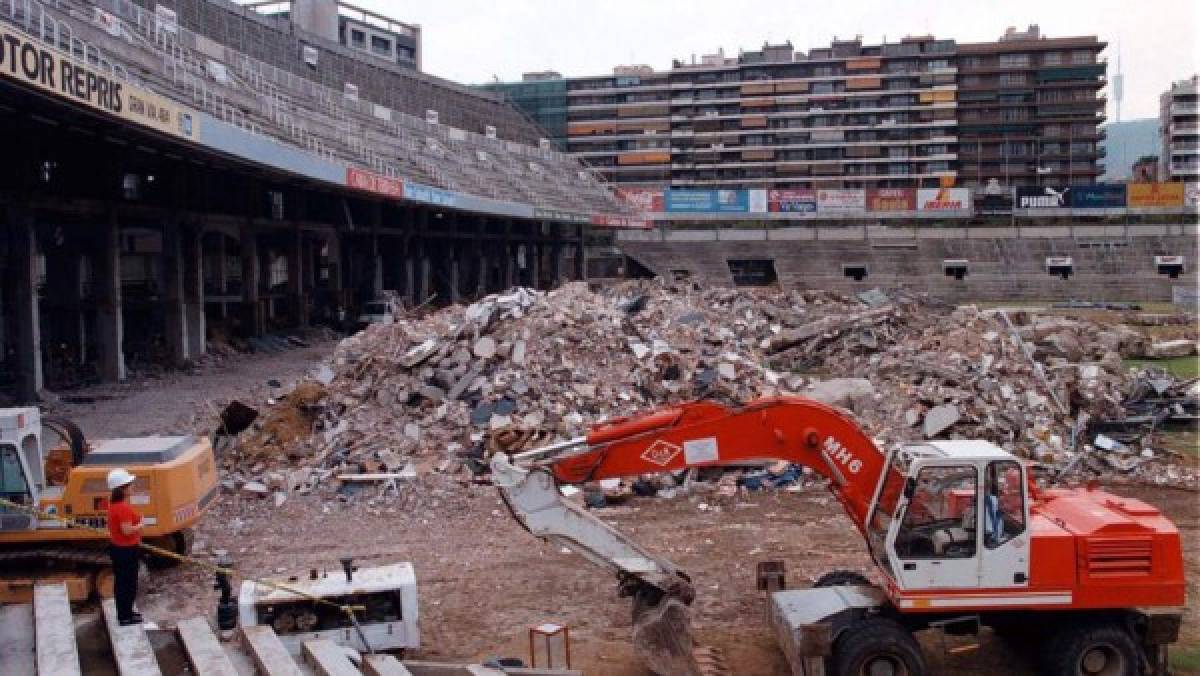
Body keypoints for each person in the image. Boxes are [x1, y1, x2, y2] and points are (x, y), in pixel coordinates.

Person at [106, 468, 143, 625]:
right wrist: (140, 525)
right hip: (126, 550)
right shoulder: (122, 508)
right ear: (123, 488)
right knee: (126, 583)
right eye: (130, 484)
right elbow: (126, 530)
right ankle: (125, 616)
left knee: (125, 582)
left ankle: (126, 612)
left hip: (120, 549)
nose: (133, 487)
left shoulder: (115, 505)